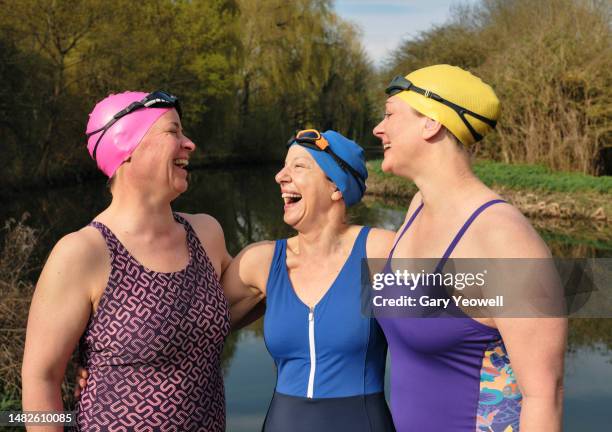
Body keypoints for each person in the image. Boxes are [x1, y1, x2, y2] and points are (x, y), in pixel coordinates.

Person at [75, 129, 397, 430]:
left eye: (298, 167)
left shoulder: (380, 252)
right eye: (283, 167)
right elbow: (184, 327)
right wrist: (101, 356)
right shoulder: (263, 262)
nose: (280, 177)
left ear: (336, 187)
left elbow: (443, 328)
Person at [22, 91, 233, 431]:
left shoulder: (206, 234)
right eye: (173, 131)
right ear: (126, 147)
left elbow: (250, 298)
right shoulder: (83, 253)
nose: (189, 143)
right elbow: (41, 380)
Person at [372, 64, 567, 431]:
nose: (378, 128)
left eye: (389, 114)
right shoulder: (417, 208)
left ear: (431, 123)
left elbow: (545, 396)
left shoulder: (504, 241)